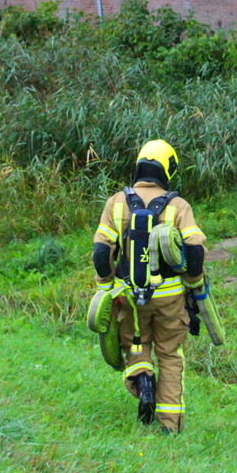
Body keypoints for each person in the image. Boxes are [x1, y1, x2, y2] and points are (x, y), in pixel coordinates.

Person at [91, 139, 207, 434]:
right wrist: (194, 284)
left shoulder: (116, 203)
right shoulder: (178, 206)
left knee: (135, 345)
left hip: (130, 295)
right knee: (170, 355)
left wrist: (106, 286)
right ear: (167, 168)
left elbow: (101, 252)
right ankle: (169, 424)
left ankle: (142, 379)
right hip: (170, 298)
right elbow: (194, 249)